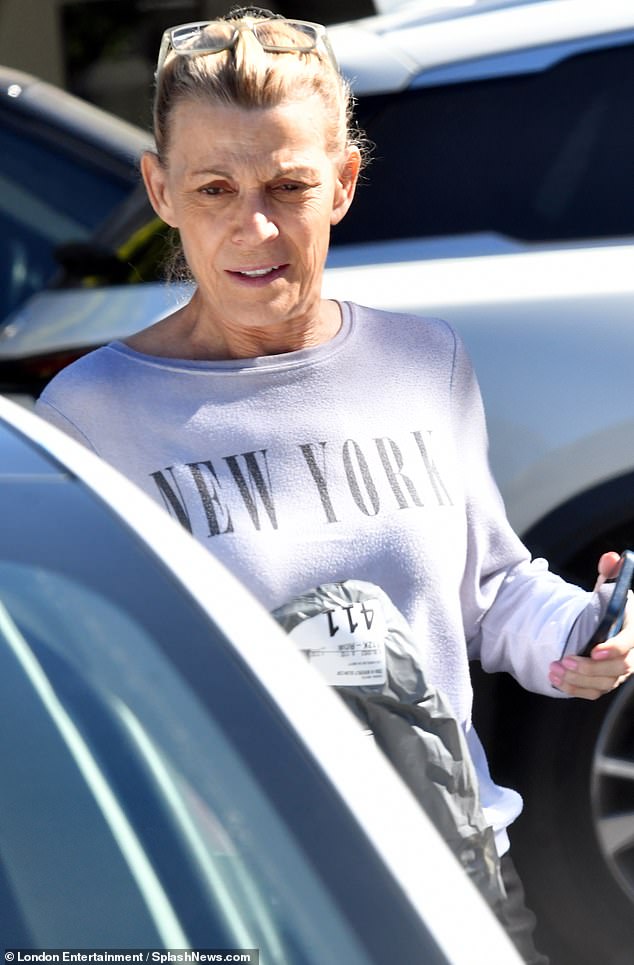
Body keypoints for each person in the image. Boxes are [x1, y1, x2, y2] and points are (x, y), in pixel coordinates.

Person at [35, 8, 634, 961]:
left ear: (344, 183)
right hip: (237, 903)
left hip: (453, 871)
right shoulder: (90, 414)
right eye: (216, 188)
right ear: (161, 190)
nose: (255, 225)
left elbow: (485, 589)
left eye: (290, 185)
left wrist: (580, 633)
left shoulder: (423, 362)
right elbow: (79, 694)